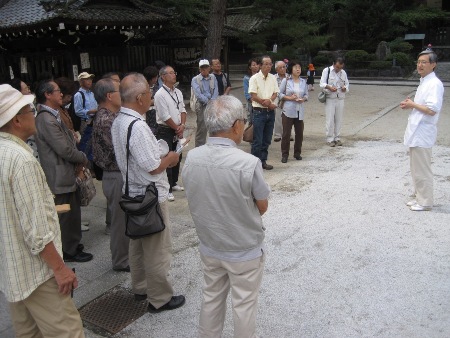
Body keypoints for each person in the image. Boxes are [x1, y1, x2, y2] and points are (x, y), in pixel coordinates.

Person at [0, 84, 85, 337]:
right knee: (67, 332)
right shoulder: (21, 159)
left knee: (28, 333)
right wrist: (60, 269)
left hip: (12, 270)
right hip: (38, 272)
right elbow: (36, 230)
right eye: (28, 109)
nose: (33, 113)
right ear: (16, 119)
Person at [182, 95, 270, 338]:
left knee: (211, 298)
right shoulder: (248, 163)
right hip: (243, 248)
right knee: (244, 305)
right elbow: (261, 206)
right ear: (236, 126)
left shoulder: (192, 158)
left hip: (211, 244)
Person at [111, 72, 185, 312]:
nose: (151, 97)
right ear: (141, 97)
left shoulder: (119, 120)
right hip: (149, 196)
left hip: (132, 193)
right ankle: (160, 298)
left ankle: (141, 288)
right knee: (156, 249)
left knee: (138, 244)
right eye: (149, 93)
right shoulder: (138, 126)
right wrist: (171, 158)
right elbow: (153, 167)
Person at [34, 79, 93, 263]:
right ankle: (68, 249)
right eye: (57, 91)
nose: (61, 94)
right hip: (59, 175)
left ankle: (72, 243)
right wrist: (82, 157)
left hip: (65, 172)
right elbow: (64, 149)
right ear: (47, 94)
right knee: (66, 213)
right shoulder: (45, 118)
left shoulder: (54, 114)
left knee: (72, 211)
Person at [92, 78, 130, 271]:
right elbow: (120, 151)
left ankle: (125, 257)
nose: (122, 94)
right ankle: (121, 261)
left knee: (123, 219)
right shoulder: (106, 120)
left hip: (117, 173)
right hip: (115, 175)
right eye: (118, 91)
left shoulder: (112, 115)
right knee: (119, 222)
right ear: (109, 96)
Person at [400, 48, 444, 212]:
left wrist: (412, 105)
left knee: (422, 168)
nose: (420, 65)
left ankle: (425, 202)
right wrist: (411, 104)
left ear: (433, 64)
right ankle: (419, 196)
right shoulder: (424, 81)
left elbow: (432, 109)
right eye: (418, 62)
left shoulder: (434, 84)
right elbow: (423, 106)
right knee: (416, 167)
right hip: (417, 130)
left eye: (424, 62)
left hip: (423, 131)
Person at [154, 65, 187, 202]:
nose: (174, 75)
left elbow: (183, 109)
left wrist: (182, 125)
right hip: (165, 129)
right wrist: (176, 128)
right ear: (163, 77)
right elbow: (164, 115)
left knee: (177, 155)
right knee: (167, 157)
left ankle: (173, 183)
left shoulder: (178, 92)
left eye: (174, 72)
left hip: (178, 128)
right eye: (171, 73)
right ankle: (166, 188)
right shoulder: (160, 94)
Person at [249, 55, 279, 170]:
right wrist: (264, 102)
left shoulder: (273, 78)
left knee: (267, 139)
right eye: (265, 64)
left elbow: (275, 92)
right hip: (259, 111)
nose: (268, 66)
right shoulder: (254, 78)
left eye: (270, 64)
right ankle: (254, 164)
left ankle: (263, 161)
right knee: (258, 140)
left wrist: (270, 101)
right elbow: (253, 95)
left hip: (270, 111)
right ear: (260, 65)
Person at [279, 60, 308, 163]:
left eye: (299, 67)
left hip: (299, 110)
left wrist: (303, 99)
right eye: (296, 67)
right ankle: (285, 154)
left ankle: (297, 153)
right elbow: (280, 94)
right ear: (291, 69)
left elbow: (306, 95)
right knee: (286, 134)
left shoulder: (303, 81)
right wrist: (290, 98)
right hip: (288, 110)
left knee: (299, 133)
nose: (298, 69)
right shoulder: (286, 81)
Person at [319, 57, 349, 147]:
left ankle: (337, 137)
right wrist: (329, 87)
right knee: (330, 118)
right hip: (330, 98)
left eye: (340, 67)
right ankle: (329, 138)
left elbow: (347, 84)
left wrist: (345, 88)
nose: (338, 69)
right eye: (337, 67)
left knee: (338, 119)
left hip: (340, 98)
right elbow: (321, 84)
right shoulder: (327, 71)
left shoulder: (343, 73)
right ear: (333, 64)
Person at [191, 59, 218, 147]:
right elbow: (198, 95)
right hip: (202, 105)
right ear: (199, 69)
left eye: (206, 67)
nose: (204, 70)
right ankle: (199, 148)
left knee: (213, 127)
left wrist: (212, 101)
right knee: (202, 128)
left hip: (212, 104)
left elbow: (216, 91)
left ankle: (213, 147)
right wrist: (208, 102)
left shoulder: (213, 77)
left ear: (209, 68)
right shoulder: (195, 79)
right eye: (202, 68)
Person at [273, 60, 289, 142]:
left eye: (284, 67)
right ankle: (278, 134)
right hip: (277, 98)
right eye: (280, 67)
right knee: (278, 117)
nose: (283, 69)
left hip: (288, 98)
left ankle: (288, 134)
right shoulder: (273, 78)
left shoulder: (289, 77)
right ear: (276, 70)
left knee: (288, 117)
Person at [143, 65, 160, 135]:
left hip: (155, 115)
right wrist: (152, 101)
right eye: (155, 77)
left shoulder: (156, 87)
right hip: (146, 115)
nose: (157, 79)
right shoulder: (142, 88)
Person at [243, 57, 260, 124]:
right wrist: (254, 101)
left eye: (257, 64)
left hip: (262, 102)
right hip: (252, 103)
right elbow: (247, 93)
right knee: (252, 121)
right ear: (250, 67)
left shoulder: (263, 76)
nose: (255, 66)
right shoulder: (247, 78)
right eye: (253, 65)